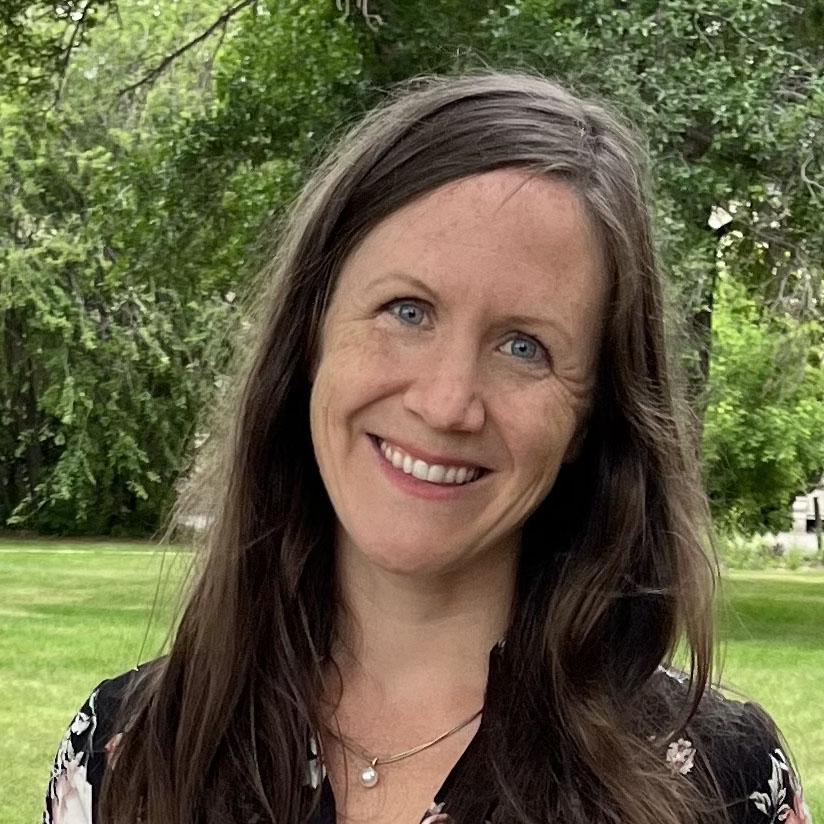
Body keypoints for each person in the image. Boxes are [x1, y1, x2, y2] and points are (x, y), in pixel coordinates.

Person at [44, 72, 812, 824]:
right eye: (407, 311)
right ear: (310, 334)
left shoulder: (720, 785)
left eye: (525, 347)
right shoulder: (125, 758)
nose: (447, 404)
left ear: (590, 418)